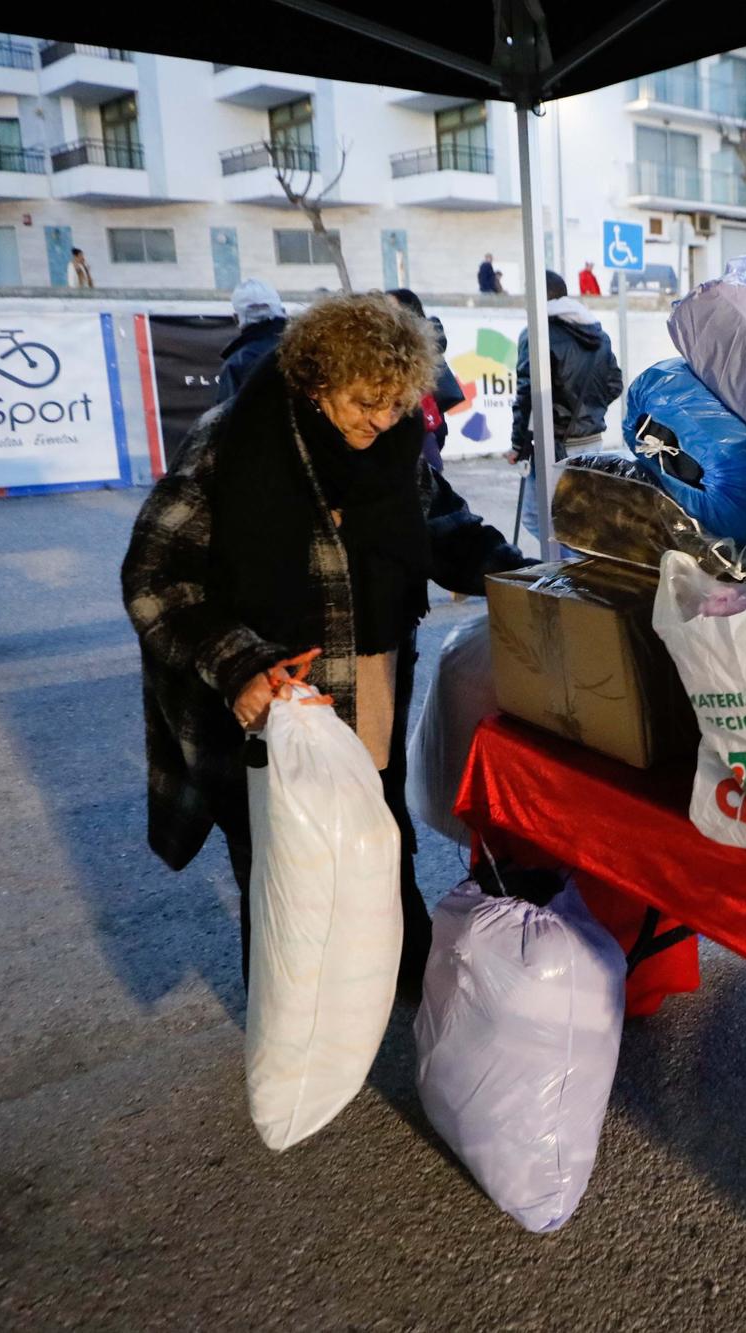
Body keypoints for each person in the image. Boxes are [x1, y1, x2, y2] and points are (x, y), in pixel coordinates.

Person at [121, 294, 527, 996]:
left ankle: (399, 975)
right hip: (276, 701)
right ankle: (297, 1007)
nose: (382, 419)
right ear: (316, 381)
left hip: (373, 681)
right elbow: (155, 574)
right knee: (286, 864)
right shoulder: (233, 439)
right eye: (366, 401)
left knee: (377, 827)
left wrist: (529, 580)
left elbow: (445, 527)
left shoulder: (395, 443)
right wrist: (238, 662)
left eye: (398, 404)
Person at [511, 269, 624, 538]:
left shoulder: (537, 333)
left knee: (537, 517)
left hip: (555, 443)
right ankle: (577, 569)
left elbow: (527, 393)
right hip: (592, 439)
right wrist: (588, 412)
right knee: (578, 518)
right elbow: (614, 384)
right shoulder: (597, 333)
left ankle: (571, 571)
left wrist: (517, 444)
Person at [387, 287, 466, 470]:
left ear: (408, 308)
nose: (386, 311)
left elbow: (437, 344)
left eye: (391, 305)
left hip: (426, 418)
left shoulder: (427, 329)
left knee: (431, 472)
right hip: (403, 419)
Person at [215, 278, 288, 403]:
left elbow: (228, 418)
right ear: (283, 312)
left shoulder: (237, 364)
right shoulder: (306, 351)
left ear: (236, 319)